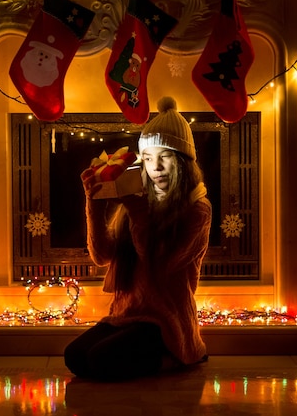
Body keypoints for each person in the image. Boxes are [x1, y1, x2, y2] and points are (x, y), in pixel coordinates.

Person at [63, 96, 212, 381]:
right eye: (147, 158)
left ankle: (179, 356)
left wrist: (135, 208)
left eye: (164, 157)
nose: (154, 167)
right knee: (75, 356)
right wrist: (93, 204)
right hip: (127, 312)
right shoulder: (142, 199)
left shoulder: (197, 208)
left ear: (182, 161)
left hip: (165, 320)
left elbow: (161, 263)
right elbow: (102, 256)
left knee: (99, 361)